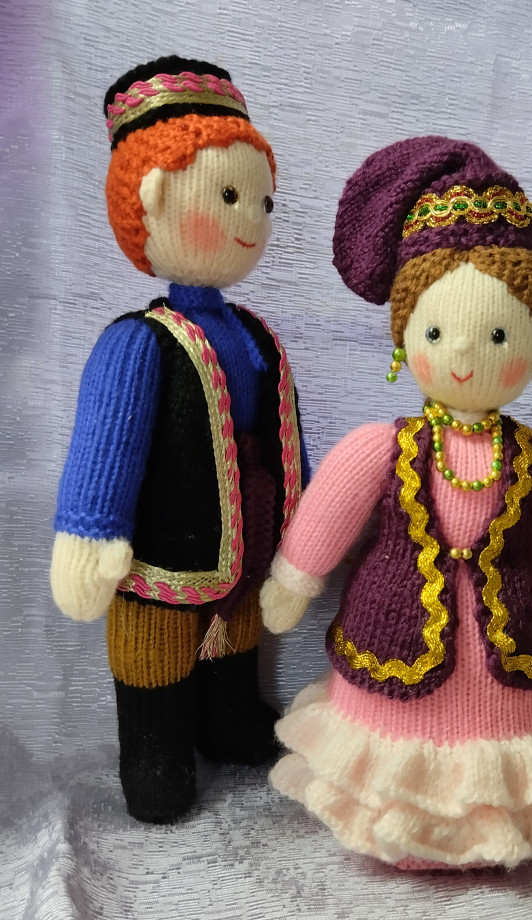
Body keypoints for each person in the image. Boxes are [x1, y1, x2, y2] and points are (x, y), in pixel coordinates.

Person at [260, 136, 532, 870]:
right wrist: (293, 580)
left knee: (501, 728)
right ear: (406, 339)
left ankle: (489, 831)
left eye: (498, 335)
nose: (463, 356)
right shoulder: (381, 446)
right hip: (391, 640)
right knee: (390, 732)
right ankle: (397, 830)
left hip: (508, 651)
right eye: (436, 332)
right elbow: (327, 515)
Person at [51, 56, 308, 824]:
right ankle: (154, 751)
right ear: (154, 201)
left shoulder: (255, 334)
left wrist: (303, 528)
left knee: (232, 648)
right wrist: (87, 532)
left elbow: (284, 437)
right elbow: (105, 446)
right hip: (160, 557)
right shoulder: (137, 342)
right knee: (154, 658)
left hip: (244, 551)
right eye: (228, 197)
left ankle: (228, 721)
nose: (251, 217)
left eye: (261, 200)